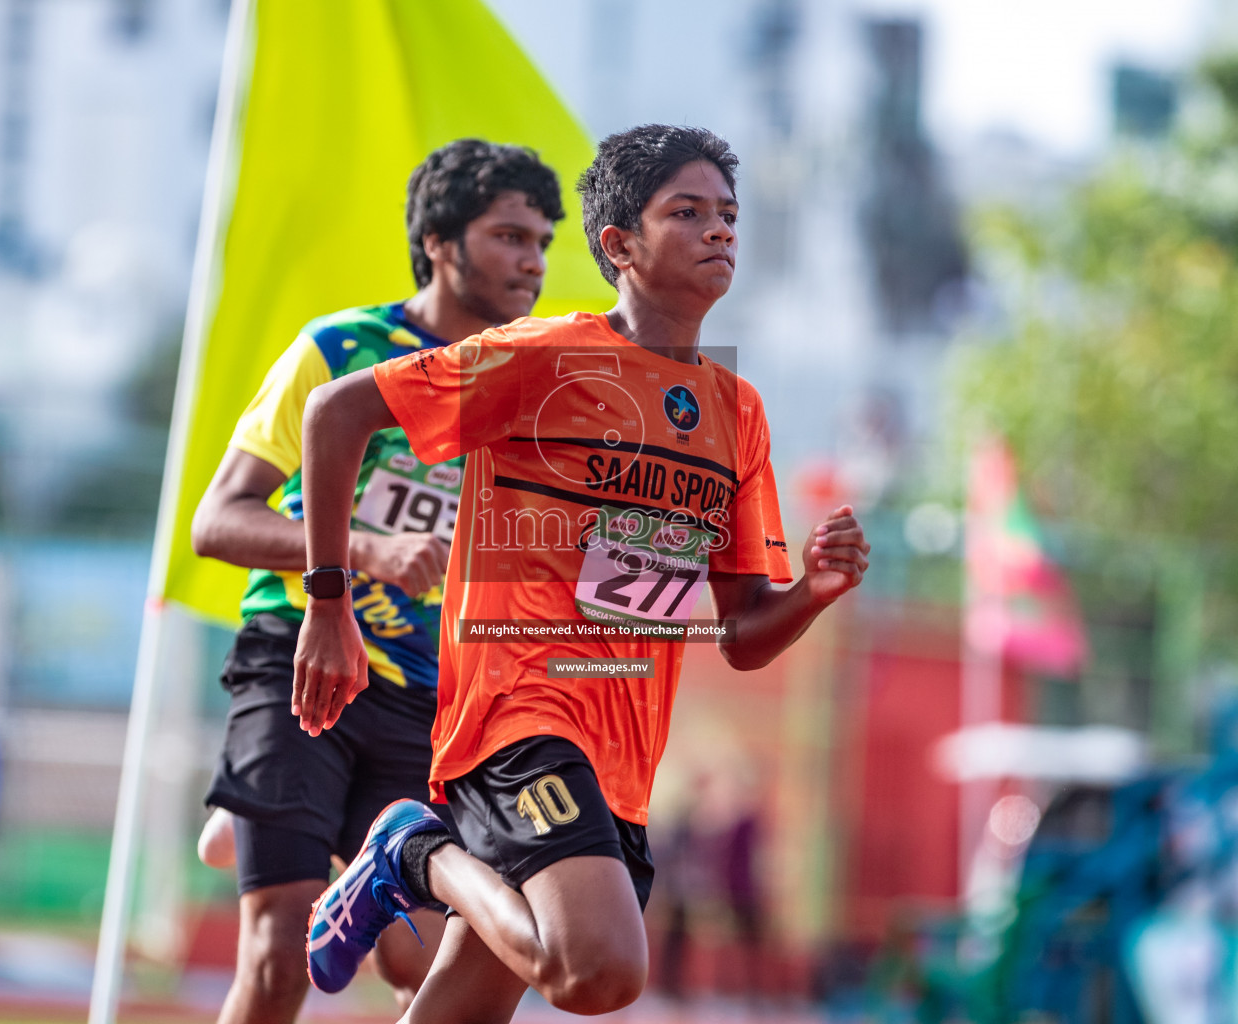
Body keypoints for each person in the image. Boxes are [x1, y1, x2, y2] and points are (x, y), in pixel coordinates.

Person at [294, 124, 870, 1021]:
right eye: (688, 212)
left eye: (729, 214)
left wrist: (814, 596)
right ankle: (412, 853)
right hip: (518, 711)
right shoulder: (541, 355)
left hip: (623, 754)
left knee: (462, 1011)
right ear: (620, 245)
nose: (720, 231)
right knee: (598, 969)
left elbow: (744, 630)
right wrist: (328, 604)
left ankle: (417, 858)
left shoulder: (736, 411)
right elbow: (335, 414)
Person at [190, 138, 565, 1024]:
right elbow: (217, 522)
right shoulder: (343, 348)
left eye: (543, 242)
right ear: (439, 240)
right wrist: (366, 551)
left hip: (432, 699)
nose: (533, 262)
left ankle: (289, 832)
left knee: (425, 970)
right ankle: (287, 827)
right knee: (280, 959)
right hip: (304, 662)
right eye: (511, 236)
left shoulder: (533, 389)